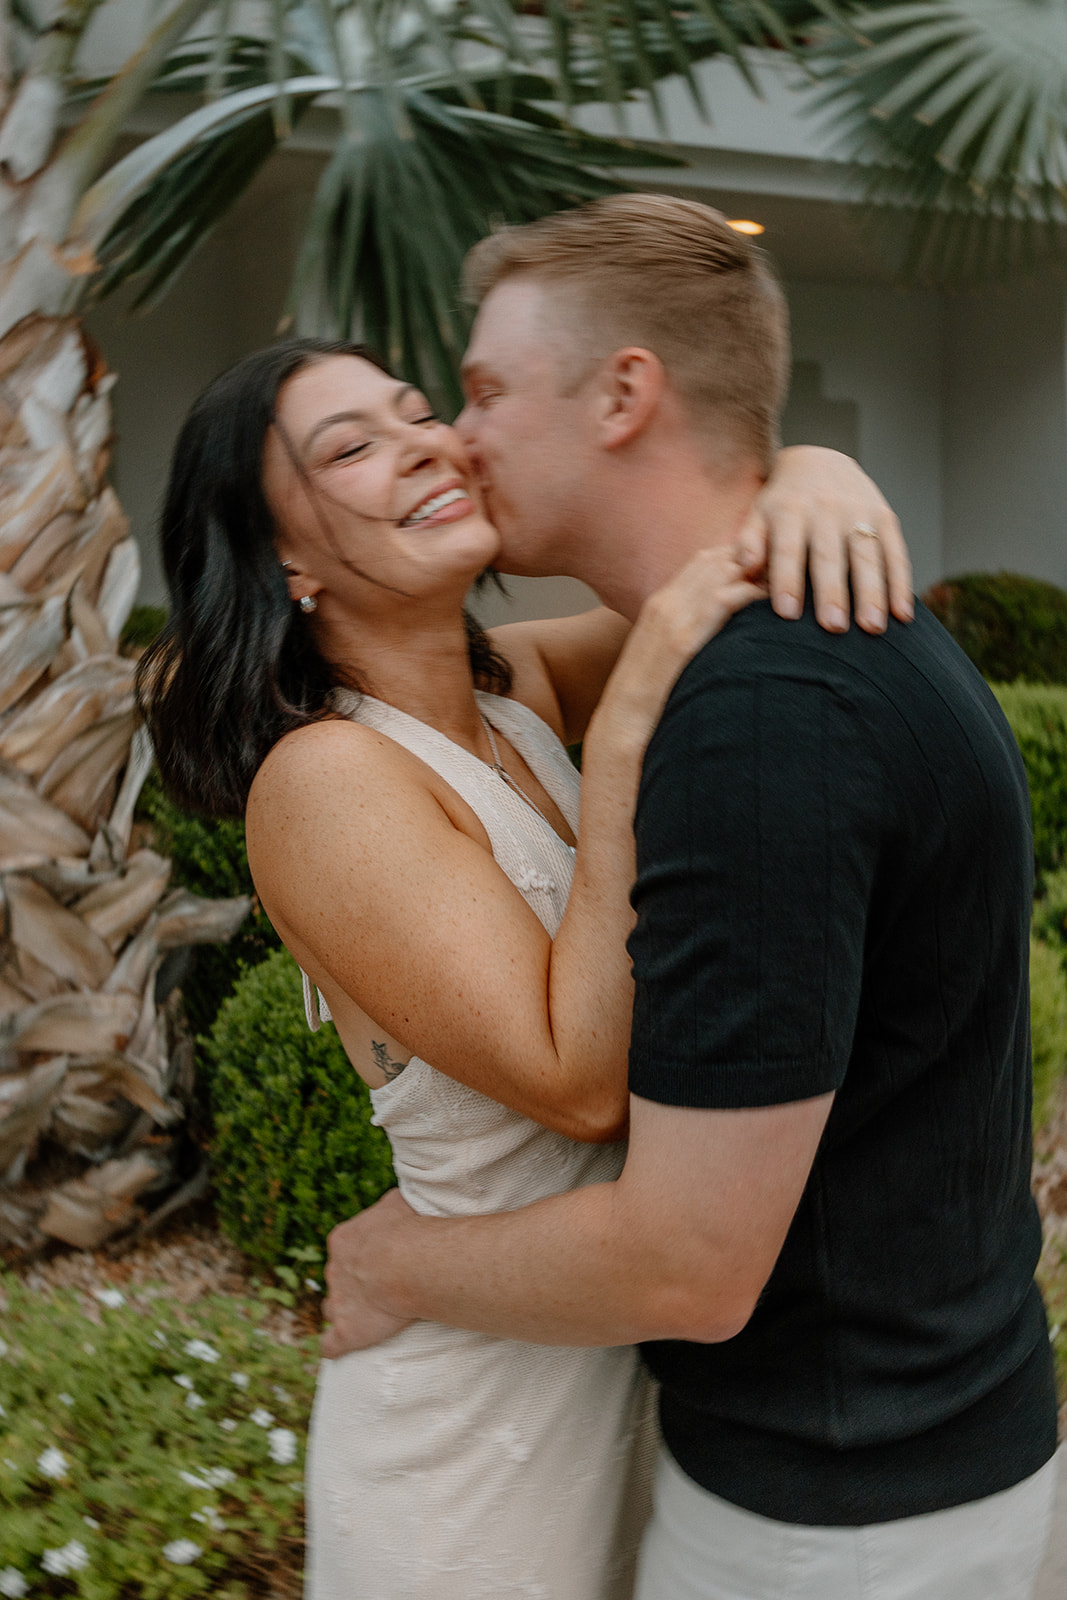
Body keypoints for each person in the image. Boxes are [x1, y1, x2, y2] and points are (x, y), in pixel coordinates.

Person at [323, 195, 1060, 1600]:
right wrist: (809, 464)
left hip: (831, 1526)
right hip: (910, 1457)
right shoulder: (801, 635)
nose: (455, 438)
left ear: (623, 392)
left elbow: (686, 1263)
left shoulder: (766, 715)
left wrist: (401, 1262)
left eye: (482, 389)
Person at [138, 314, 908, 1597]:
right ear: (284, 562)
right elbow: (574, 1079)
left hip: (616, 1349)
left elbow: (736, 563)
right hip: (468, 1438)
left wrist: (817, 468)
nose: (422, 443)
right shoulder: (324, 779)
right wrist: (620, 756)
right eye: (351, 447)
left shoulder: (512, 698)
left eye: (412, 409)